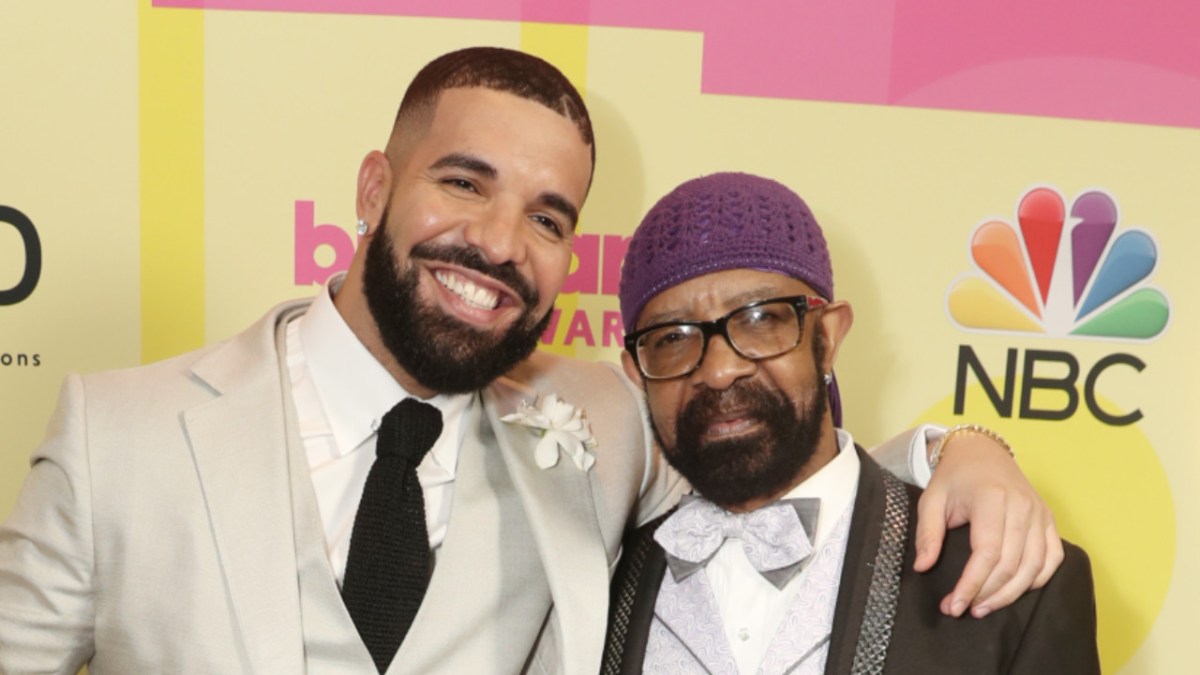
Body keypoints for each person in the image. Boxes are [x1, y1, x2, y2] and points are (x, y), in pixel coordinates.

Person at [0, 49, 1057, 675]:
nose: (502, 245)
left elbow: (767, 439)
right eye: (463, 184)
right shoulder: (119, 435)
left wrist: (961, 451)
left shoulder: (602, 414)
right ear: (374, 188)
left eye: (548, 217)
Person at [602, 172, 1099, 674]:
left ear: (829, 336)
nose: (720, 369)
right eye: (672, 338)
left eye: (760, 319)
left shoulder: (1008, 580)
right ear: (638, 375)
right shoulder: (596, 585)